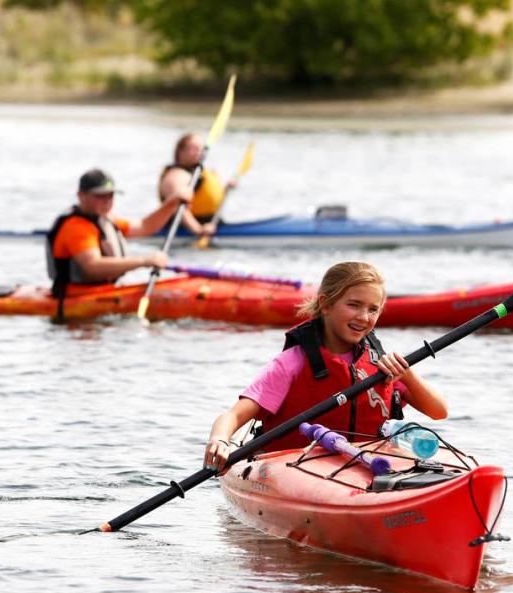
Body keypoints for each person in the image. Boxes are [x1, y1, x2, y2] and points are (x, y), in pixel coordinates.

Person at [203, 261, 448, 472]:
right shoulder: (293, 362)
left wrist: (408, 375)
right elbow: (234, 415)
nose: (364, 317)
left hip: (367, 468)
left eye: (373, 309)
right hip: (294, 469)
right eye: (354, 305)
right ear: (326, 304)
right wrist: (220, 440)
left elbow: (439, 412)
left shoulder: (381, 364)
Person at [46, 168, 190, 317]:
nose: (107, 201)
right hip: (76, 296)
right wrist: (144, 261)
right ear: (81, 195)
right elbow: (93, 266)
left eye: (110, 196)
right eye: (100, 196)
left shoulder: (106, 219)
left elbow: (144, 226)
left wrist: (171, 203)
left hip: (104, 292)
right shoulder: (76, 227)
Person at [158, 133, 231, 237]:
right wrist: (199, 230)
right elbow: (178, 208)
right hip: (183, 228)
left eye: (200, 148)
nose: (199, 151)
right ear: (180, 152)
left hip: (211, 224)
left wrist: (227, 189)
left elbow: (211, 201)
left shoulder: (201, 173)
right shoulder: (176, 176)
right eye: (194, 148)